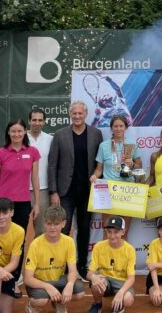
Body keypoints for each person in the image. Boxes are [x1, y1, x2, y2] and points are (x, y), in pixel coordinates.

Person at [48, 100, 104, 280]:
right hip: (66, 192)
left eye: (80, 113)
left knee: (84, 229)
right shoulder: (60, 134)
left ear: (86, 114)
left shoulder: (96, 134)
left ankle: (81, 266)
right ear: (70, 115)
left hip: (87, 191)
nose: (77, 116)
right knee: (63, 229)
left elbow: (99, 163)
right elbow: (52, 165)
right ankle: (61, 265)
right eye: (74, 113)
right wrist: (53, 191)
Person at [0, 119, 41, 297]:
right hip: (2, 204)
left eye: (20, 131)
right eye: (13, 131)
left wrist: (37, 204)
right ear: (8, 133)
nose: (17, 134)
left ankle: (13, 279)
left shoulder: (33, 152)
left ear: (25, 132)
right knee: (0, 242)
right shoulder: (0, 153)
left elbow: (35, 180)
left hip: (23, 204)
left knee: (18, 242)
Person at [23, 206, 85, 313]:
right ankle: (31, 305)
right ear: (44, 223)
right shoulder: (35, 244)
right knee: (41, 300)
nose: (52, 228)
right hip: (40, 282)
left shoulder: (69, 242)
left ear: (63, 223)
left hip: (58, 280)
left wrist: (70, 285)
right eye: (49, 224)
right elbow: (28, 279)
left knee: (79, 292)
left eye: (56, 224)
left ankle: (58, 302)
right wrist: (48, 287)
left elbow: (73, 271)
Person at [90, 114, 142, 237]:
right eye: (115, 126)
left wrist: (133, 163)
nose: (118, 129)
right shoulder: (104, 145)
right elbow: (99, 169)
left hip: (127, 190)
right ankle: (105, 257)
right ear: (111, 128)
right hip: (109, 191)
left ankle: (123, 256)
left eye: (121, 126)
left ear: (125, 127)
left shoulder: (131, 145)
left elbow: (139, 165)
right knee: (108, 232)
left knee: (123, 232)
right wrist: (94, 176)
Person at [86, 216, 136, 313]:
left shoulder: (130, 249)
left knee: (127, 299)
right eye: (109, 232)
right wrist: (93, 277)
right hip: (105, 281)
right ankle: (98, 304)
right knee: (96, 281)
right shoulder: (98, 246)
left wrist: (121, 292)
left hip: (121, 282)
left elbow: (131, 278)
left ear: (123, 232)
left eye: (116, 232)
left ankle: (119, 305)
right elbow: (89, 273)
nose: (112, 236)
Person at [27, 108, 53, 237]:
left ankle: (39, 257)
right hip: (21, 190)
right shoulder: (21, 138)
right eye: (34, 120)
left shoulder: (50, 139)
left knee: (41, 231)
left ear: (44, 122)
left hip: (42, 190)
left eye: (40, 120)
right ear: (29, 121)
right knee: (18, 229)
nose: (37, 123)